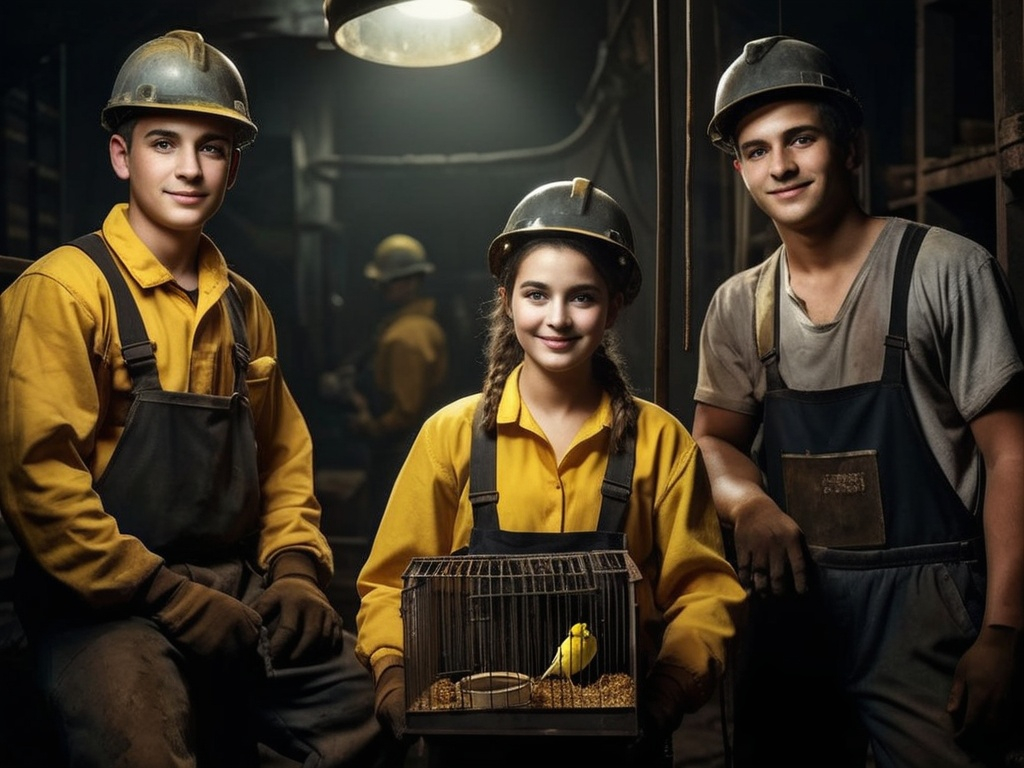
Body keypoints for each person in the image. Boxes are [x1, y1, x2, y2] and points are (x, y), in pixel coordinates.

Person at [0, 29, 388, 767]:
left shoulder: (244, 308)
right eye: (163, 142)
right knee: (143, 744)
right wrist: (168, 598)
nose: (188, 168)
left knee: (369, 716)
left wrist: (299, 570)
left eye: (211, 147)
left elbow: (281, 460)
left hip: (235, 584)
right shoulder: (62, 293)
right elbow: (40, 484)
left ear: (234, 168)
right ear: (122, 156)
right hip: (100, 603)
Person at [693, 35, 1024, 768]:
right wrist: (746, 503)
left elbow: (1012, 455)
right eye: (754, 150)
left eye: (800, 139)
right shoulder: (740, 306)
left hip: (932, 612)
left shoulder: (946, 272)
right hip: (794, 610)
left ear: (848, 148)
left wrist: (1003, 631)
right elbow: (712, 441)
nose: (778, 166)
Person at [355, 177, 747, 767]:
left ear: (614, 305)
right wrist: (392, 669)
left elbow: (705, 591)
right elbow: (390, 584)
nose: (557, 318)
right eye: (536, 294)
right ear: (507, 299)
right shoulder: (453, 435)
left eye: (582, 297)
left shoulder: (661, 442)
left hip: (616, 743)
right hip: (472, 739)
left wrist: (669, 690)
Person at [320, 234, 448, 540]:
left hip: (401, 453)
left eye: (387, 282)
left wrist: (370, 425)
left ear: (409, 282)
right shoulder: (407, 326)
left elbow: (405, 413)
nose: (381, 289)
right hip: (400, 450)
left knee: (389, 533)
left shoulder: (408, 336)